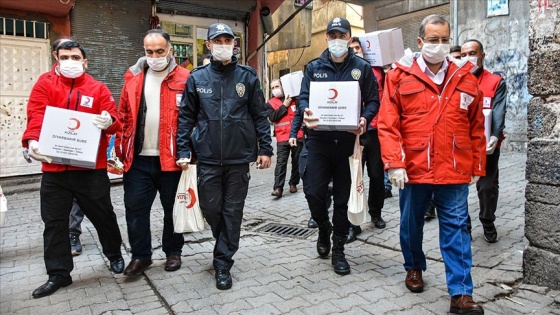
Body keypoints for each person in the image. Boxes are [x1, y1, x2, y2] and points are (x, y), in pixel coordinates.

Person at [378, 15, 486, 314]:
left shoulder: (465, 77)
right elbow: (388, 124)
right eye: (433, 40)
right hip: (414, 168)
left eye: (444, 40)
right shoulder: (399, 76)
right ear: (420, 42)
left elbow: (477, 126)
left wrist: (477, 165)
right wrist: (394, 163)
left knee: (456, 229)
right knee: (411, 225)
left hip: (454, 167)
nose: (439, 46)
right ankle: (413, 266)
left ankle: (461, 292)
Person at [22, 41, 125, 298]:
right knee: (54, 223)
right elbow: (36, 114)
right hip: (55, 170)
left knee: (103, 215)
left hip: (90, 169)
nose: (70, 61)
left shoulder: (97, 88)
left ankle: (114, 254)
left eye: (76, 57)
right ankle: (58, 274)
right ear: (57, 58)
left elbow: (115, 121)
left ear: (85, 61)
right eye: (65, 56)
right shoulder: (45, 84)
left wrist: (109, 120)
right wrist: (31, 139)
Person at [176, 22, 273, 290]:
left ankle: (222, 262)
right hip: (206, 157)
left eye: (227, 41)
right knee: (211, 209)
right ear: (208, 45)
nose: (222, 45)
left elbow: (260, 115)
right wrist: (183, 150)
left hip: (238, 157)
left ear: (234, 44)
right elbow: (185, 118)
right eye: (217, 41)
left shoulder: (247, 77)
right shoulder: (197, 78)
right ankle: (225, 244)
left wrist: (265, 148)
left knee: (232, 211)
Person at [299, 17, 379, 275]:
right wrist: (305, 112)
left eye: (341, 35)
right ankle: (323, 226)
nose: (336, 40)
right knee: (313, 192)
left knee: (343, 199)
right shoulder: (314, 67)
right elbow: (303, 99)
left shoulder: (362, 68)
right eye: (332, 36)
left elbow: (373, 101)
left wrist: (365, 118)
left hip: (347, 143)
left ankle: (339, 249)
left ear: (348, 38)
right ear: (326, 39)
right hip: (319, 142)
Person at [115, 29, 190, 276]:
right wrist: (121, 148)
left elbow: (194, 119)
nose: (155, 56)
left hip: (172, 159)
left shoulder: (186, 78)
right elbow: (124, 116)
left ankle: (173, 252)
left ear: (170, 49)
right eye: (149, 52)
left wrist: (189, 151)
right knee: (135, 209)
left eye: (160, 51)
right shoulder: (134, 77)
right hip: (138, 159)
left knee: (173, 209)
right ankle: (140, 256)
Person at [461, 39, 507, 243]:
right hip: (462, 145)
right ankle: (465, 225)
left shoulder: (495, 81)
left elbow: (498, 110)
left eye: (472, 53)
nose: (468, 58)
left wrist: (495, 136)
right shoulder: (457, 81)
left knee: (487, 187)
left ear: (482, 55)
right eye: (463, 55)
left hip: (488, 146)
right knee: (459, 188)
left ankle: (487, 220)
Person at [349, 36, 388, 235]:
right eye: (352, 48)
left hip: (374, 129)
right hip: (352, 133)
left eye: (358, 47)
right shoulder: (345, 70)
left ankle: (376, 213)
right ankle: (353, 220)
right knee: (354, 176)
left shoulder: (379, 71)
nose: (356, 50)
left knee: (376, 175)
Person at [266, 79, 304, 198]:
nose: (275, 89)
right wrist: (284, 106)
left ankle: (293, 183)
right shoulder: (270, 103)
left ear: (283, 87)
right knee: (281, 163)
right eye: (272, 88)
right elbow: (272, 117)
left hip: (297, 135)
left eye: (277, 86)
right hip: (282, 136)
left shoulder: (294, 99)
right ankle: (278, 188)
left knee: (296, 161)